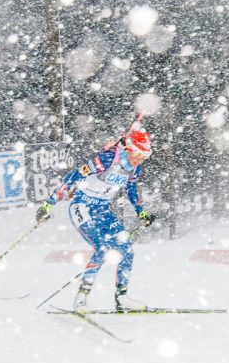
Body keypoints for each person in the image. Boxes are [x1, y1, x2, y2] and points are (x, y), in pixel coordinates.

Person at [36, 129, 156, 312]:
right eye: (138, 154)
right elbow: (74, 176)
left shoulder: (135, 168)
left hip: (103, 210)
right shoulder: (107, 159)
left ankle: (122, 299)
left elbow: (131, 189)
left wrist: (141, 212)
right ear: (129, 149)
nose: (139, 160)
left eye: (144, 156)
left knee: (128, 251)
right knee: (102, 248)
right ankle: (81, 298)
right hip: (82, 207)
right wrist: (48, 204)